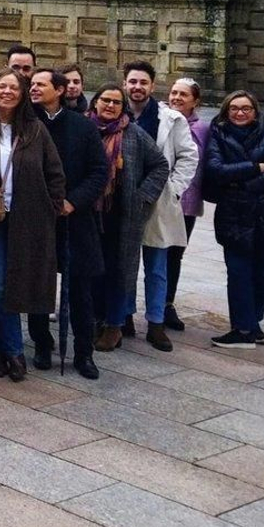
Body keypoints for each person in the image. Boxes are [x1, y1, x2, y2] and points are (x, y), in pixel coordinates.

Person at [0, 68, 65, 383]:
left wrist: (54, 207)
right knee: (0, 284)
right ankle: (15, 352)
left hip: (28, 219)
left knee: (20, 284)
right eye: (2, 86)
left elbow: (54, 171)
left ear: (22, 94)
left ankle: (0, 352)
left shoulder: (35, 129)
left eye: (14, 88)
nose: (7, 92)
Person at [27, 69, 110, 379]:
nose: (33, 89)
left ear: (59, 90)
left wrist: (73, 201)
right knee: (39, 284)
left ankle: (84, 353)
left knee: (81, 289)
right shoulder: (27, 123)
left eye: (40, 84)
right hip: (37, 217)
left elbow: (99, 171)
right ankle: (41, 343)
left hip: (76, 216)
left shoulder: (83, 126)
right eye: (32, 84)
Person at [203, 90, 264, 349]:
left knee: (263, 273)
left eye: (245, 108)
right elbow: (215, 170)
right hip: (234, 217)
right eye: (234, 108)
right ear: (226, 111)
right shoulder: (218, 136)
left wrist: (243, 185)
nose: (240, 113)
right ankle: (243, 328)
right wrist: (255, 167)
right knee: (238, 272)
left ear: (255, 111)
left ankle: (253, 323)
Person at [124, 61, 199, 351]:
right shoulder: (120, 113)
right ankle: (124, 316)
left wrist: (174, 189)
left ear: (152, 86)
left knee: (156, 266)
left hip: (158, 200)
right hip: (125, 200)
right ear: (125, 83)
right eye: (132, 82)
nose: (137, 87)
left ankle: (155, 322)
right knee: (125, 263)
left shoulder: (171, 119)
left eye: (143, 82)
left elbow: (188, 156)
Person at [88, 84, 168, 353]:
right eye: (105, 100)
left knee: (118, 272)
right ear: (95, 102)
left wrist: (142, 196)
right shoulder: (85, 129)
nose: (110, 106)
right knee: (92, 270)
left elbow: (160, 165)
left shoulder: (133, 133)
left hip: (121, 216)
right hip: (88, 213)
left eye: (116, 102)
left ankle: (114, 325)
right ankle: (95, 319)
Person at [163, 76, 208, 332]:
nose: (177, 98)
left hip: (186, 202)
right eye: (174, 93)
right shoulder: (162, 119)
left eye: (183, 94)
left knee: (174, 254)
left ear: (195, 101)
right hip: (159, 199)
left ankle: (167, 303)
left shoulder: (201, 129)